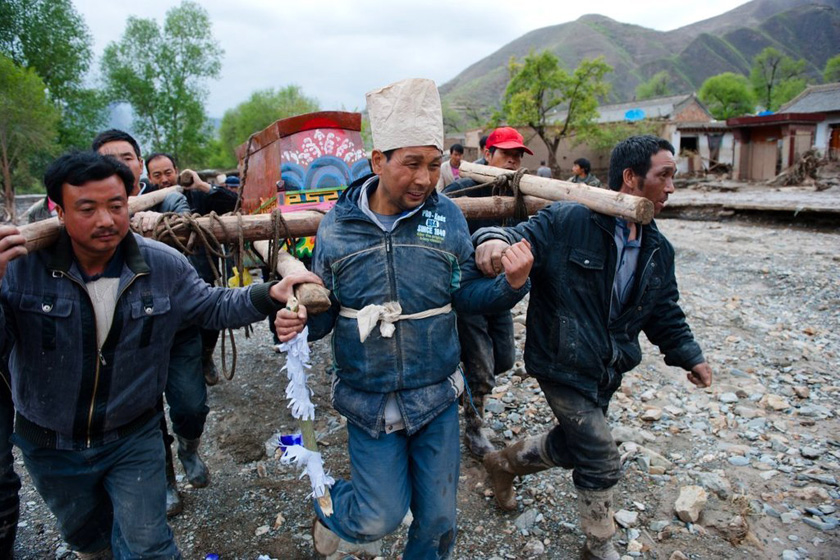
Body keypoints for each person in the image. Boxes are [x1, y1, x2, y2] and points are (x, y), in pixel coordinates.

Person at [0, 150, 319, 559]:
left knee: (150, 545)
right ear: (57, 211)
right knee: (87, 539)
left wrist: (267, 294)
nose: (105, 220)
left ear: (129, 203)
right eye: (87, 208)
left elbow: (212, 306)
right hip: (49, 443)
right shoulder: (20, 270)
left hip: (132, 437)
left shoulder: (164, 265)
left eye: (116, 206)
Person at [275, 78, 533, 559]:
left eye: (434, 165)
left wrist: (510, 285)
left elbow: (465, 298)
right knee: (379, 515)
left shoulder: (446, 218)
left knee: (437, 519)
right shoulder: (338, 226)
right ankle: (331, 511)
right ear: (378, 161)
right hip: (368, 397)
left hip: (434, 392)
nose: (423, 179)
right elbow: (327, 314)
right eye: (410, 164)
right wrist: (299, 324)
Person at [475, 135, 713, 560]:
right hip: (560, 362)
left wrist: (690, 356)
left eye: (673, 177)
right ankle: (599, 545)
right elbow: (513, 233)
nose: (671, 187)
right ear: (630, 178)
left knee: (574, 445)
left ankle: (503, 464)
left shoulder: (658, 250)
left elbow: (665, 313)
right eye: (664, 175)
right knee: (601, 457)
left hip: (607, 368)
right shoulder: (569, 221)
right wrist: (492, 244)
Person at [92, 131, 202, 518]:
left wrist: (168, 217)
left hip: (175, 324)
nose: (122, 164)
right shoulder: (89, 208)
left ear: (140, 164)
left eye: (127, 157)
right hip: (123, 335)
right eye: (111, 158)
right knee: (145, 414)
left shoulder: (165, 194)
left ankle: (189, 445)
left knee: (191, 404)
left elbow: (182, 212)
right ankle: (167, 480)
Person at [443, 126, 534, 460]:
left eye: (518, 155)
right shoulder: (462, 190)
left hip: (500, 289)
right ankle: (474, 425)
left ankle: (462, 386)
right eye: (506, 154)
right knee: (481, 361)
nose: (512, 160)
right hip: (466, 290)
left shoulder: (522, 194)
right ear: (488, 154)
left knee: (505, 358)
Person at [146, 152, 238, 386]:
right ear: (148, 177)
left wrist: (202, 185)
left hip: (200, 272)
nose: (164, 179)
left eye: (168, 172)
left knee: (209, 317)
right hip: (161, 279)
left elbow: (234, 203)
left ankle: (206, 357)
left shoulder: (196, 195)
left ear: (176, 171)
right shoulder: (144, 202)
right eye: (157, 175)